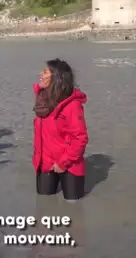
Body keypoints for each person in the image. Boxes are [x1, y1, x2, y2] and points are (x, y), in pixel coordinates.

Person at [32, 59, 89, 202]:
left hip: (69, 163)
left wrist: (63, 162)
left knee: (73, 206)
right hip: (44, 161)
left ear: (56, 77)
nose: (41, 74)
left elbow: (80, 138)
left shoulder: (72, 105)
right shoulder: (42, 100)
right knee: (43, 203)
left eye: (45, 72)